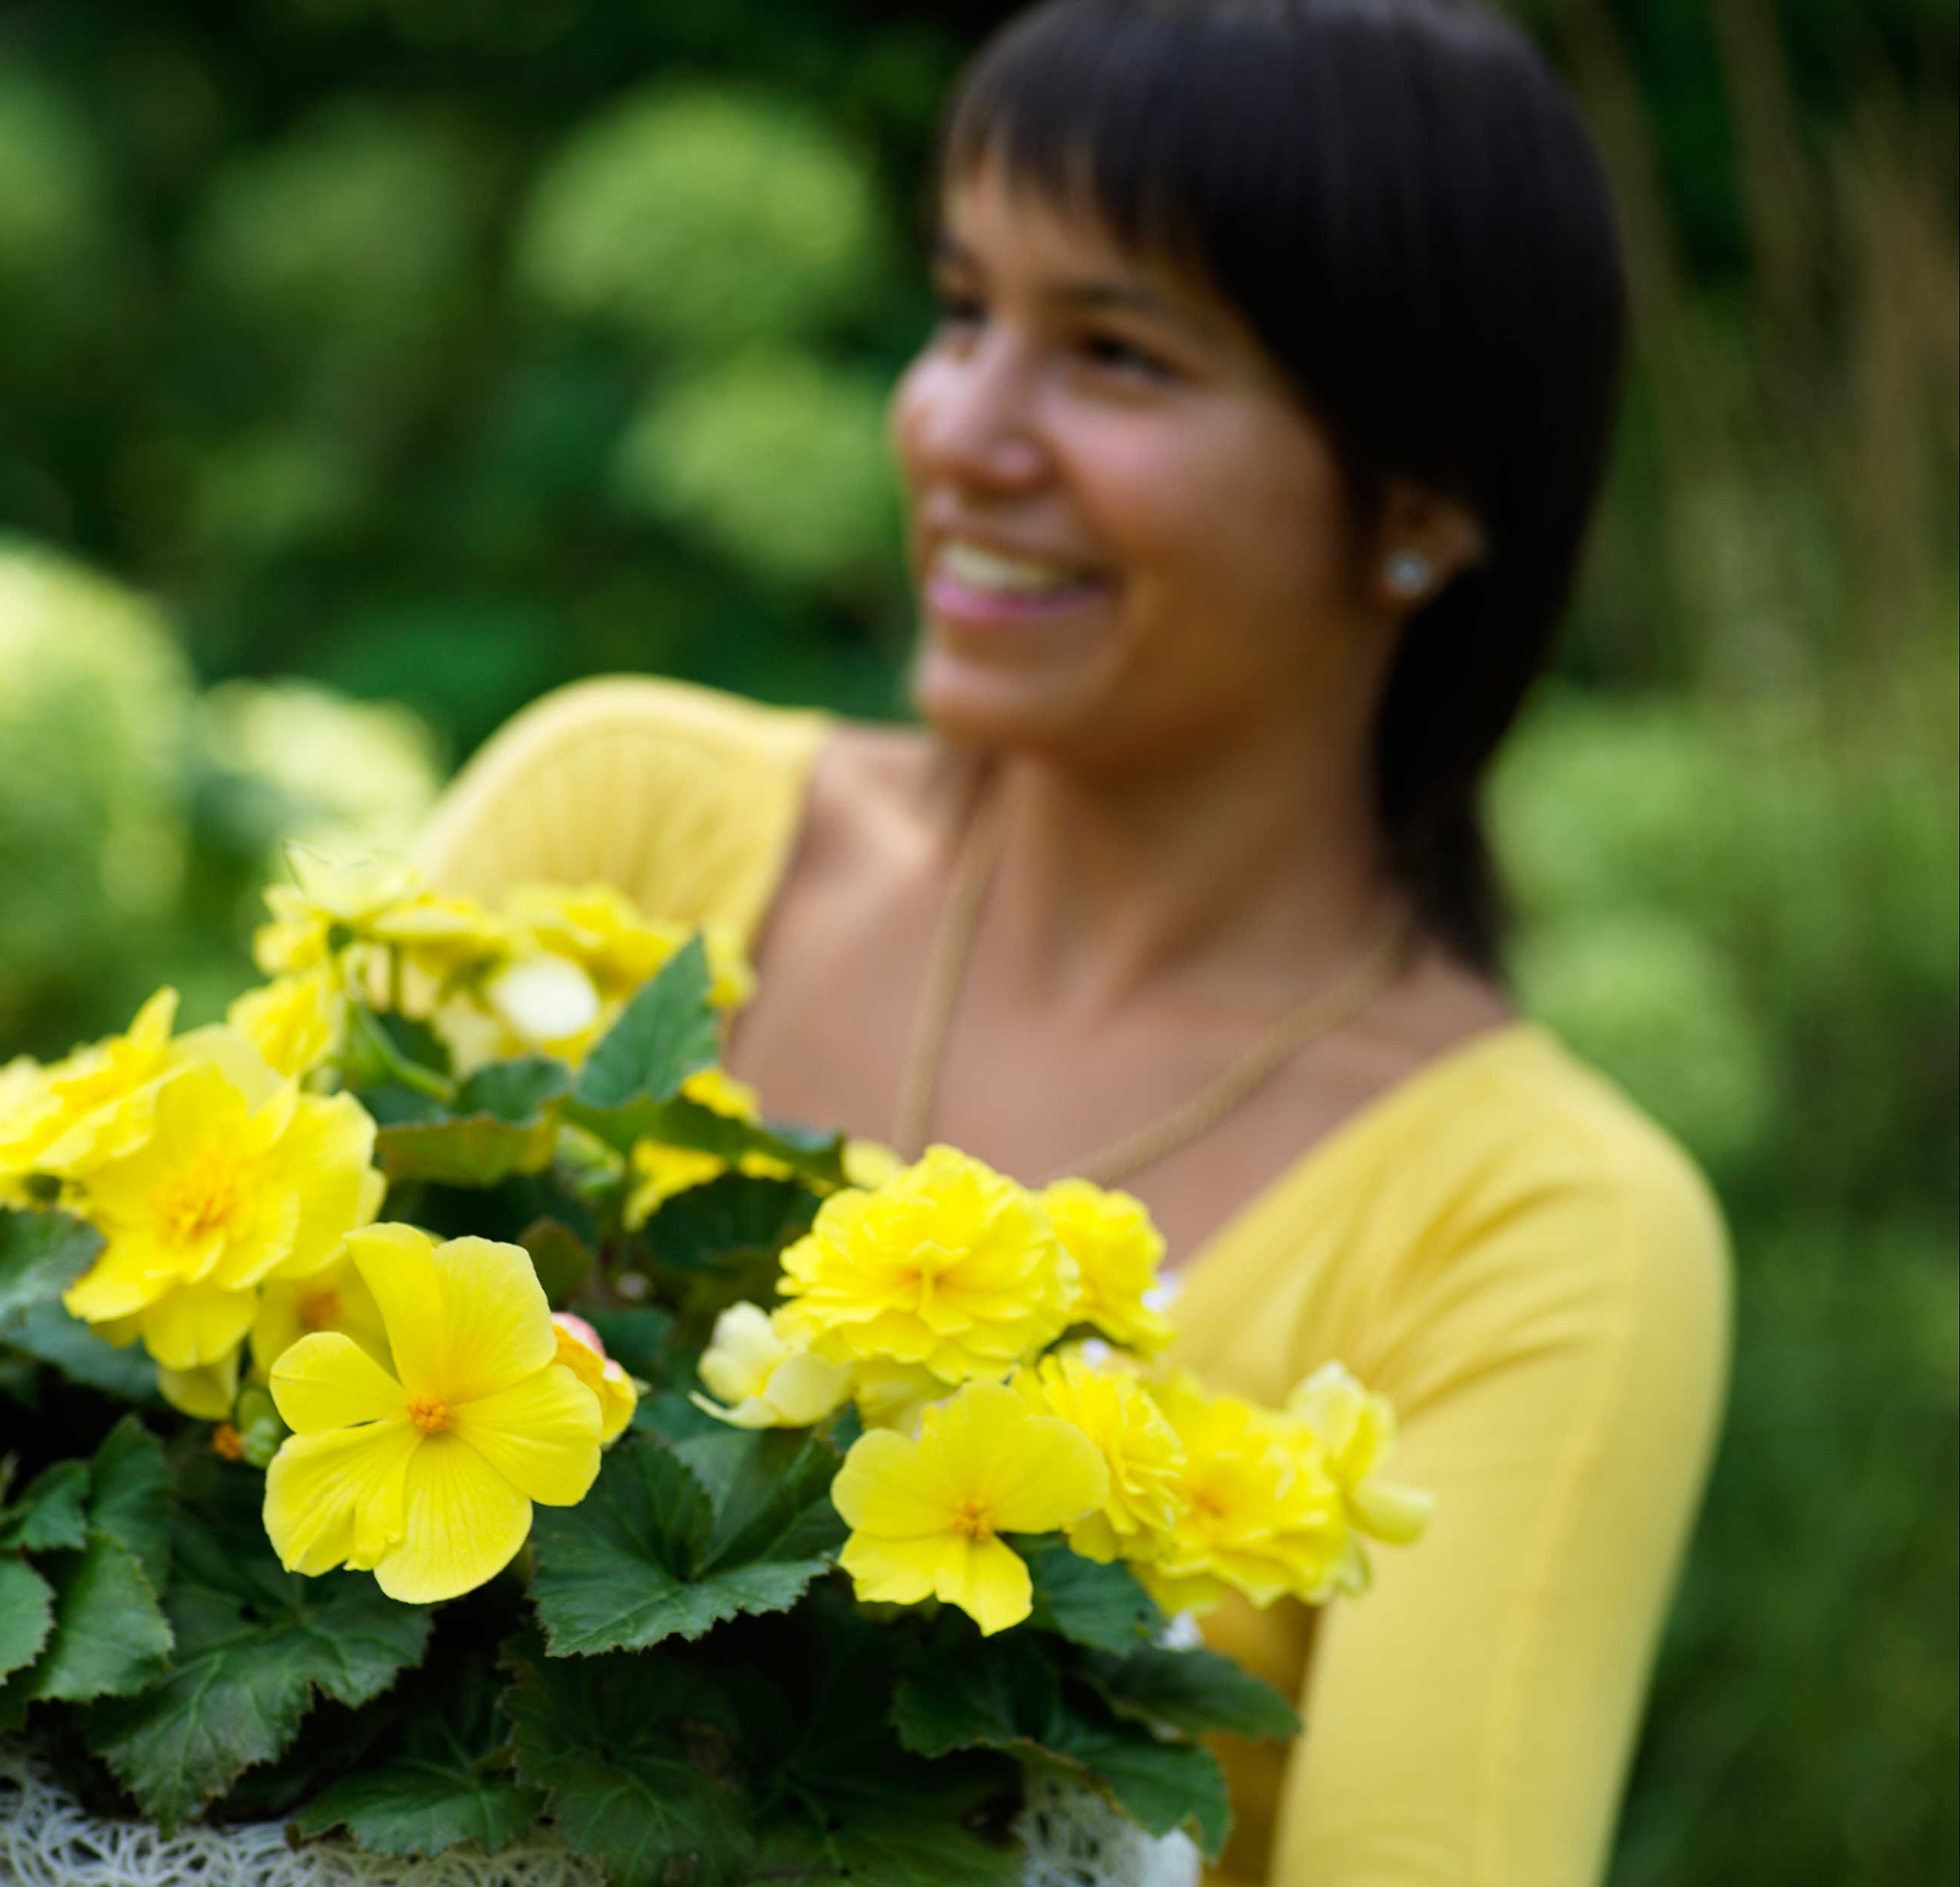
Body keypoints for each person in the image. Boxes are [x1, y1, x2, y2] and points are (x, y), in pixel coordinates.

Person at [417, 2, 1731, 1882]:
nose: (954, 428)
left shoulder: (1539, 1230)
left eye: (1114, 356)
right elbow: (183, 1454)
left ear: (1420, 510)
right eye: (962, 311)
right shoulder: (620, 818)